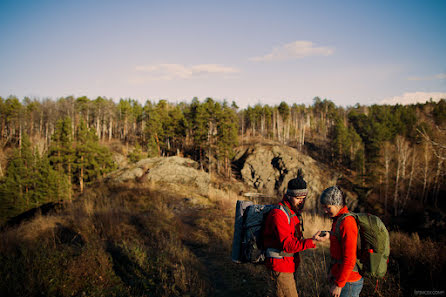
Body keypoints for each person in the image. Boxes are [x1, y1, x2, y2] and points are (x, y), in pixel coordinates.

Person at [263, 171, 328, 297]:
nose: (301, 202)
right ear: (288, 196)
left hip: (289, 263)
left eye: (303, 198)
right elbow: (287, 245)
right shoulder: (279, 214)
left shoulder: (293, 212)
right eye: (298, 198)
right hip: (280, 264)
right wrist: (312, 241)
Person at [320, 186, 363, 297]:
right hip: (341, 277)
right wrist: (332, 271)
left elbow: (350, 258)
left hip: (349, 282)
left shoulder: (347, 222)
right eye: (324, 207)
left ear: (337, 204)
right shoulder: (338, 219)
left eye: (328, 207)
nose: (325, 211)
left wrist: (339, 285)